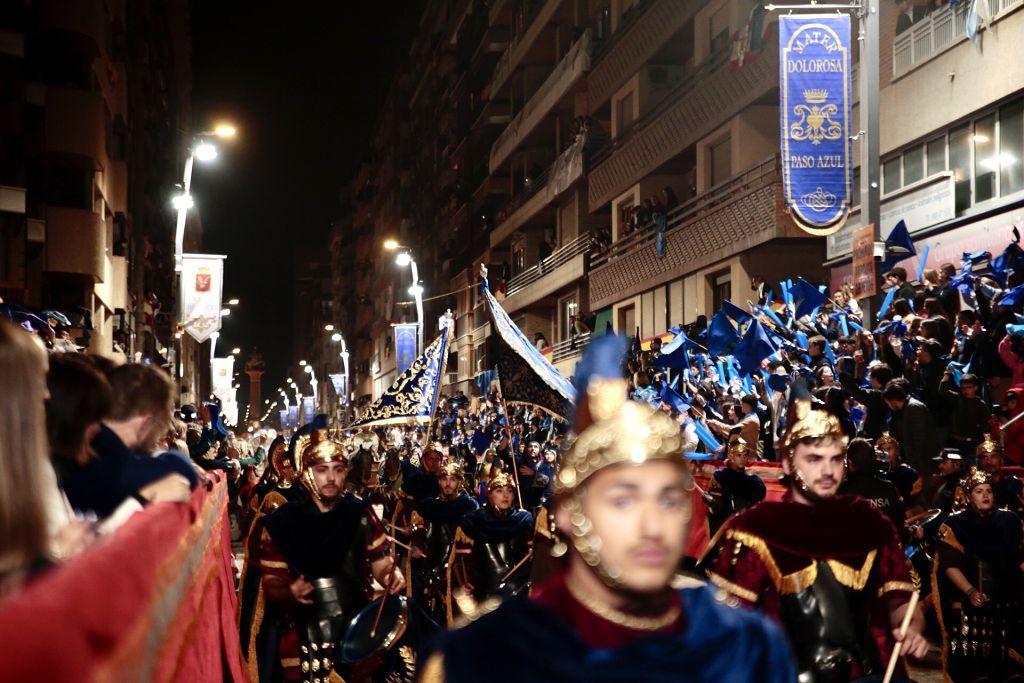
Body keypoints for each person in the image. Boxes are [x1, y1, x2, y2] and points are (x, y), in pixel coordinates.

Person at [421, 335, 795, 682]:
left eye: (667, 499)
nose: (652, 524)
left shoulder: (746, 646)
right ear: (568, 512)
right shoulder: (483, 656)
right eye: (623, 500)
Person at [706, 393, 929, 681]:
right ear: (787, 464)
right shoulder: (756, 529)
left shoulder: (869, 522)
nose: (827, 471)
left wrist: (909, 623)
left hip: (863, 673)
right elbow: (727, 620)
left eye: (835, 459)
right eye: (814, 459)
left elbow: (899, 599)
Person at [254, 429, 405, 681]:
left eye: (338, 469)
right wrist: (289, 592)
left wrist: (391, 573)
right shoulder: (283, 522)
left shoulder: (360, 514)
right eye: (322, 469)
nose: (331, 477)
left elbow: (381, 563)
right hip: (305, 638)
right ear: (306, 473)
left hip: (356, 631)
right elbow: (272, 581)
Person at [59, 363, 196, 522]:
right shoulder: (106, 459)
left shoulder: (94, 445)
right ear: (146, 422)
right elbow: (183, 470)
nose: (159, 435)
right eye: (161, 425)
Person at [932, 467, 1024, 681]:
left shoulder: (1009, 521)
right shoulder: (955, 525)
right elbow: (949, 565)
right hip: (971, 607)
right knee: (975, 672)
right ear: (968, 496)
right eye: (979, 491)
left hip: (1008, 602)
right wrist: (971, 591)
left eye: (989, 491)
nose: (985, 495)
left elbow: (1019, 559)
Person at [447, 473, 534, 609]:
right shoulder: (474, 522)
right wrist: (464, 583)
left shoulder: (523, 520)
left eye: (509, 491)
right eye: (499, 491)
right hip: (486, 594)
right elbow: (461, 561)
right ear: (490, 494)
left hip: (518, 591)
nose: (505, 496)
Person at [409, 461, 479, 623]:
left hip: (459, 568)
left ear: (459, 482)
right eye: (444, 479)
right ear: (438, 481)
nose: (448, 484)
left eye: (452, 479)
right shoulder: (427, 506)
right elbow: (417, 530)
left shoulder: (469, 506)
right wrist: (416, 546)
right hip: (431, 563)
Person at [838, 437, 905, 531]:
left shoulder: (839, 492)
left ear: (849, 462)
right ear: (873, 459)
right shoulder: (889, 489)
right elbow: (900, 529)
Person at [704, 437, 766, 536]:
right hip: (726, 527)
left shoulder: (755, 482)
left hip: (747, 529)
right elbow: (716, 509)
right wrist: (712, 500)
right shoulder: (720, 477)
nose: (742, 458)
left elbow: (759, 508)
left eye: (745, 455)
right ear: (731, 456)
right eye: (739, 455)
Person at [883, 378, 939, 476]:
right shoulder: (903, 411)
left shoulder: (914, 408)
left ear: (893, 401)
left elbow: (919, 440)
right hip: (914, 464)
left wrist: (911, 464)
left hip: (922, 465)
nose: (888, 406)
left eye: (887, 403)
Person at [975, 434, 1024, 514]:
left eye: (993, 456)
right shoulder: (972, 488)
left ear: (1001, 460)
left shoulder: (1014, 486)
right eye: (984, 457)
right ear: (978, 462)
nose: (989, 462)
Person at [929, 448, 963, 514]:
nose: (940, 466)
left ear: (957, 464)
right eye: (939, 463)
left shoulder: (962, 488)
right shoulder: (943, 484)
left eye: (944, 462)